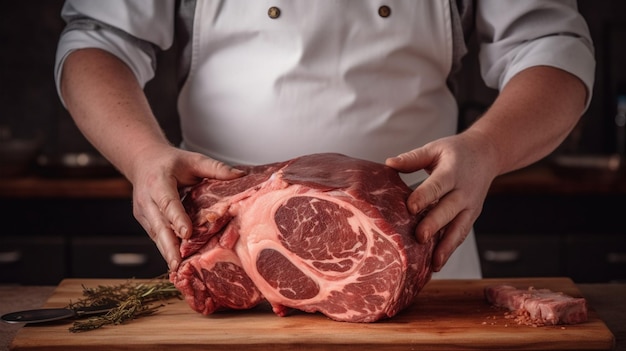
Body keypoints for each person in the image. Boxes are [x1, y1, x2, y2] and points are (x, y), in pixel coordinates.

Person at [54, 1, 595, 278]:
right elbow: (99, 39)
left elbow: (551, 45)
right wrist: (143, 155)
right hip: (225, 243)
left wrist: (489, 147)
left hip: (414, 241)